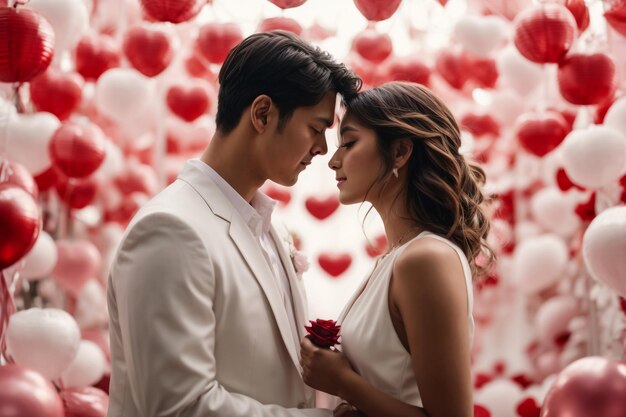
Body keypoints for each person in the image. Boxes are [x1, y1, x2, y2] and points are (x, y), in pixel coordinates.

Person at [107, 31, 361, 417]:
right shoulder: (170, 230)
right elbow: (179, 406)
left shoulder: (269, 228)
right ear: (262, 114)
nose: (323, 149)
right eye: (316, 128)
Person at [300, 81, 495, 417]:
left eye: (349, 143)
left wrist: (343, 382)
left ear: (401, 151)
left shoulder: (426, 259)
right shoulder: (396, 259)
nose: (333, 161)